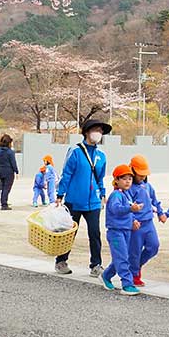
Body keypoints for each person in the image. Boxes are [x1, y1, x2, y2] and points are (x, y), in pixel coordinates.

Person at [54, 118, 110, 276]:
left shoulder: (101, 156)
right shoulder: (75, 151)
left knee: (95, 233)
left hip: (93, 202)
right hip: (74, 200)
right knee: (69, 233)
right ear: (86, 132)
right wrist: (60, 195)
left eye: (100, 131)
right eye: (95, 130)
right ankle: (61, 261)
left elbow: (100, 178)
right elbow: (67, 174)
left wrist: (103, 193)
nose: (98, 133)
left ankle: (96, 265)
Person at [101, 165, 142, 295]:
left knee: (121, 256)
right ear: (116, 180)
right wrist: (131, 209)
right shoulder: (116, 195)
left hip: (125, 230)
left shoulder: (126, 194)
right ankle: (127, 284)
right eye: (124, 179)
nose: (128, 181)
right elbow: (116, 209)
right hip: (116, 231)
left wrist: (133, 220)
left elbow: (128, 211)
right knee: (122, 257)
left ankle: (106, 275)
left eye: (130, 178)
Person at [127, 155, 164, 287]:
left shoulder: (147, 186)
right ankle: (134, 274)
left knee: (154, 246)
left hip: (149, 223)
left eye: (144, 174)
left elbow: (155, 200)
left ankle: (136, 265)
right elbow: (127, 207)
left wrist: (160, 212)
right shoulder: (129, 189)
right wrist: (132, 220)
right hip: (136, 225)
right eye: (140, 174)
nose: (142, 177)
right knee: (135, 251)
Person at [0, 135, 19, 210]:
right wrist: (16, 171)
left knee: (2, 187)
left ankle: (2, 202)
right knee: (6, 188)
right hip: (8, 172)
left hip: (0, 171)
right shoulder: (10, 152)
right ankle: (4, 204)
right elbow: (13, 163)